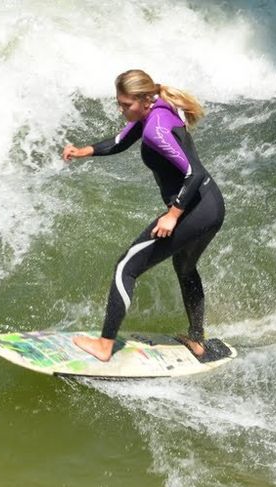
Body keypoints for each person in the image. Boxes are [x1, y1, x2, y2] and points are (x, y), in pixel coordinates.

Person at [62, 69, 225, 362]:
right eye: (119, 103)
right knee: (185, 268)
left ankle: (104, 345)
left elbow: (193, 172)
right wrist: (83, 151)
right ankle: (197, 341)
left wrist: (173, 215)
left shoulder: (155, 129)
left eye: (126, 105)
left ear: (144, 100)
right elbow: (121, 140)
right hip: (211, 205)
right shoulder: (156, 108)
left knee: (126, 266)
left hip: (194, 208)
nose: (121, 109)